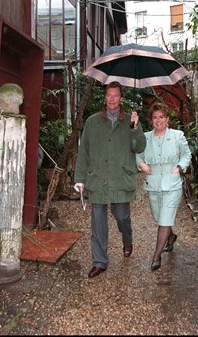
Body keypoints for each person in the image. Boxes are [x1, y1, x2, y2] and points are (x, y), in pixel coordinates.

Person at [74, 81, 147, 278]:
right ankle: (100, 261)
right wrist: (80, 178)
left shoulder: (129, 123)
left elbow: (139, 147)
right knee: (98, 221)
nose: (112, 99)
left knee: (122, 216)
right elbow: (84, 153)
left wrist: (136, 127)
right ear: (105, 98)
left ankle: (127, 238)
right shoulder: (92, 122)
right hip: (97, 178)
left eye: (116, 95)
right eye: (109, 95)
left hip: (120, 177)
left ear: (121, 98)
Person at [136, 102, 192, 271]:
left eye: (161, 117)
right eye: (155, 117)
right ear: (151, 120)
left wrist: (180, 168)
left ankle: (156, 256)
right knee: (160, 218)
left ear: (167, 119)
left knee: (164, 221)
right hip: (153, 184)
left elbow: (186, 154)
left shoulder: (177, 135)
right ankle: (171, 236)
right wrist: (142, 165)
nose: (158, 120)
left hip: (172, 184)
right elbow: (138, 155)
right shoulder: (145, 138)